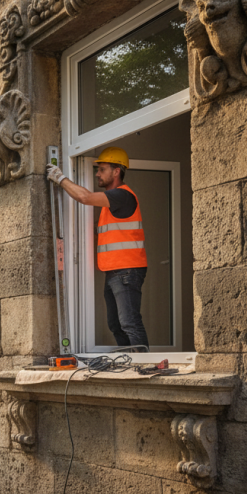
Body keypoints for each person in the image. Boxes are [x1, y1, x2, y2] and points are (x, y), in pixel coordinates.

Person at [46, 146, 149, 347]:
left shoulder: (122, 195)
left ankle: (143, 366)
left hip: (127, 270)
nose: (97, 173)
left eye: (102, 169)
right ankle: (129, 360)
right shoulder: (110, 205)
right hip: (114, 271)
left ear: (116, 171)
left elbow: (84, 197)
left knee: (129, 323)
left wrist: (60, 179)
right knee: (116, 325)